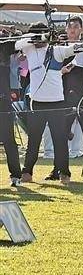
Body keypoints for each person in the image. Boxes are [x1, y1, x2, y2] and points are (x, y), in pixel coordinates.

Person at [16, 22, 83, 185]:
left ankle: (64, 173)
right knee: (33, 140)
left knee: (60, 139)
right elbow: (17, 44)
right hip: (37, 103)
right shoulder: (29, 48)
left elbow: (74, 49)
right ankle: (27, 172)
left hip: (56, 103)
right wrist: (36, 37)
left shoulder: (56, 50)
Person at [46, 17, 83, 181]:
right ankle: (58, 170)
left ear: (81, 29)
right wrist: (61, 71)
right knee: (60, 135)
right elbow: (50, 72)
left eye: (76, 27)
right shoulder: (59, 48)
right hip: (62, 96)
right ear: (65, 29)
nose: (72, 30)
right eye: (69, 27)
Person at [0, 25, 22, 186]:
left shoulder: (5, 46)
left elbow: (19, 40)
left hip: (3, 101)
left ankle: (16, 175)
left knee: (8, 139)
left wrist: (8, 29)